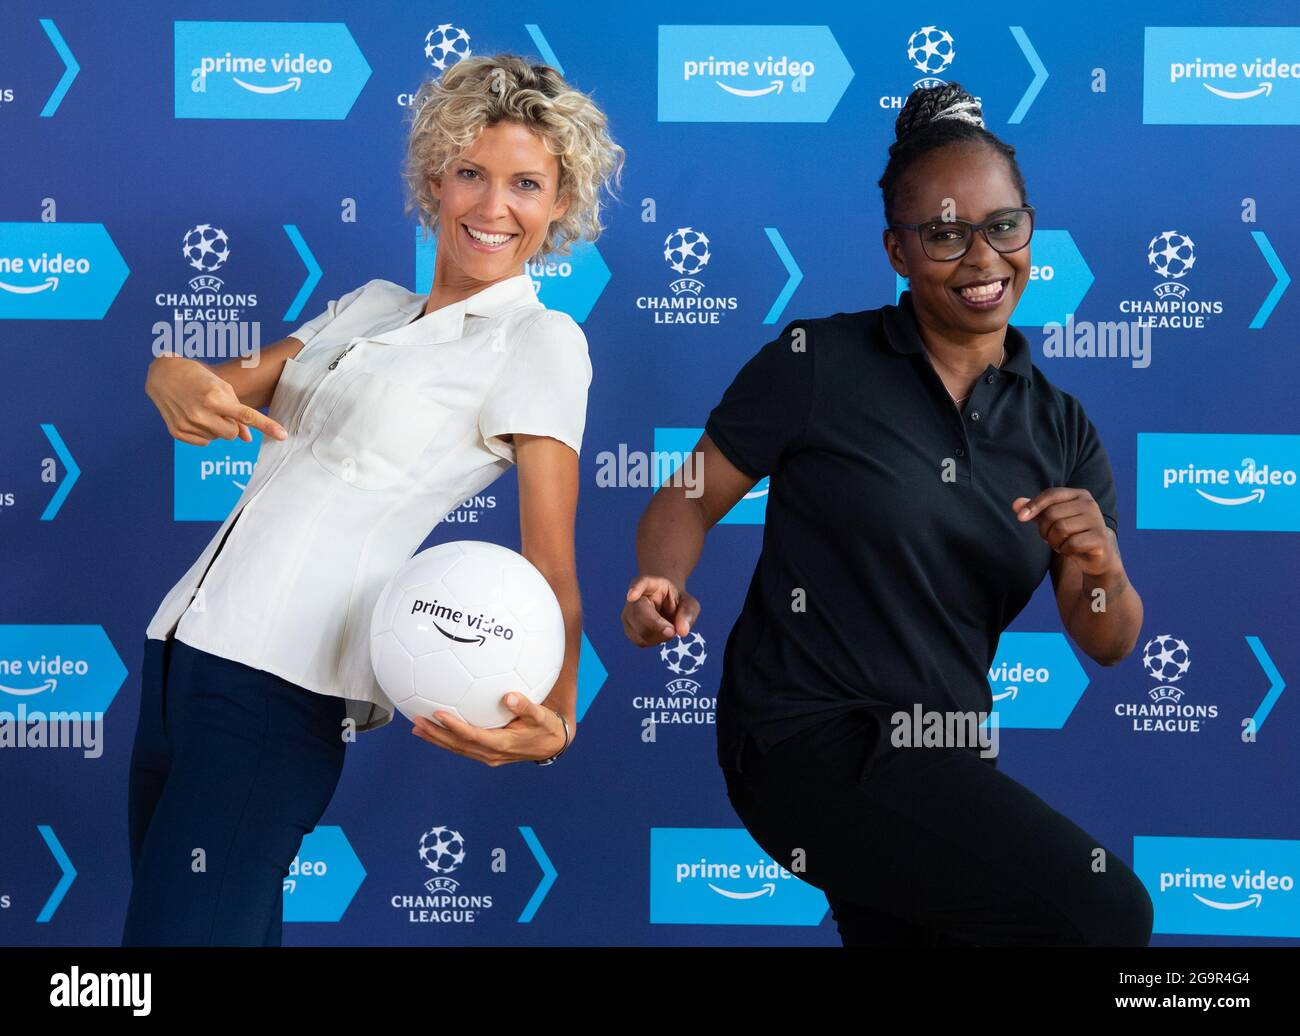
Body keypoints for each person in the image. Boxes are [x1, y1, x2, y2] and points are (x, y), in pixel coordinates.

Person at [621, 83, 1154, 947]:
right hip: (805, 740)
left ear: (1030, 232)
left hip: (943, 758)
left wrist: (1103, 570)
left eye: (1003, 226)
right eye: (945, 234)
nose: (983, 258)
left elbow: (1106, 640)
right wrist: (662, 579)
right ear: (898, 252)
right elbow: (684, 499)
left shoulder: (1061, 428)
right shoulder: (817, 362)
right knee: (1108, 914)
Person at [124, 55, 624, 946]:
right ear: (436, 179)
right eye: (471, 172)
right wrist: (167, 373)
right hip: (180, 653)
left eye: (526, 184)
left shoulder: (540, 341)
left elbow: (550, 561)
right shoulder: (370, 306)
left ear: (559, 208)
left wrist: (557, 720)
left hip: (281, 685)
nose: (492, 205)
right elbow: (218, 390)